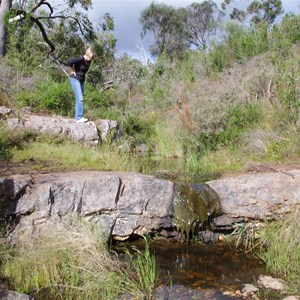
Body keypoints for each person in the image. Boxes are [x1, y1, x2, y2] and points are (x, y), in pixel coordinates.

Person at [66, 47, 96, 123]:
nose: (91, 59)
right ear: (88, 55)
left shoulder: (88, 62)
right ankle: (79, 118)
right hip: (75, 79)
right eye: (91, 57)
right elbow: (69, 62)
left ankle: (79, 116)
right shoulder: (80, 59)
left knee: (79, 99)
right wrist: (72, 70)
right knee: (80, 98)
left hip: (81, 81)